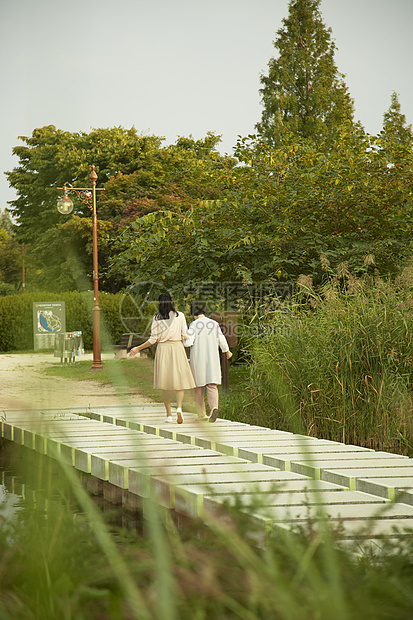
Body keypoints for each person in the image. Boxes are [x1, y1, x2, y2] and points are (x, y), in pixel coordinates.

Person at [127, 292, 195, 424]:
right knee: (179, 381)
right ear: (171, 302)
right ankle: (179, 408)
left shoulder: (157, 318)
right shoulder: (179, 316)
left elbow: (153, 340)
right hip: (177, 348)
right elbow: (185, 334)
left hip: (163, 350)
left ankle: (169, 415)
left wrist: (137, 348)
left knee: (165, 384)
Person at [185, 305, 232, 422]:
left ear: (193, 314)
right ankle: (214, 407)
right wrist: (227, 351)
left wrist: (183, 338)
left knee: (198, 387)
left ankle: (201, 414)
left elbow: (188, 343)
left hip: (198, 358)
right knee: (212, 385)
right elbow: (222, 339)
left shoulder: (194, 325)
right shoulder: (213, 324)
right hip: (212, 358)